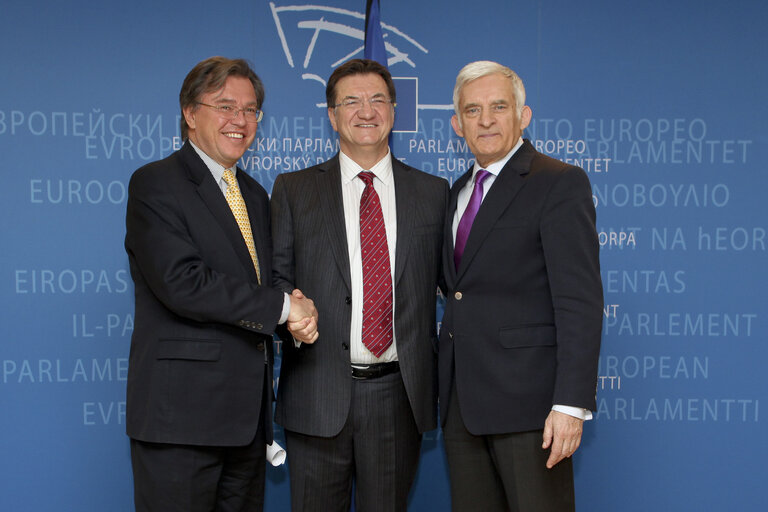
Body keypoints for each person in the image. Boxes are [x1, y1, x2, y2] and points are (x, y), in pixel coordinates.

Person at [124, 56, 318, 512]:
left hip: (245, 425)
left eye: (251, 110)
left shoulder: (253, 193)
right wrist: (284, 310)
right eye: (225, 106)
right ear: (190, 114)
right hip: (180, 425)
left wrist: (294, 308)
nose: (240, 121)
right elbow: (182, 283)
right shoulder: (156, 184)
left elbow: (262, 284)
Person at [270, 58, 448, 512]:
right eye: (351, 101)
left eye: (377, 100)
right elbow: (276, 280)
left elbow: (457, 286)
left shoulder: (433, 192)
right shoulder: (293, 190)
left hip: (397, 396)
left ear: (393, 109)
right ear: (332, 115)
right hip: (316, 392)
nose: (365, 111)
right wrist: (289, 312)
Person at [439, 60, 603, 511]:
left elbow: (579, 302)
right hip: (462, 407)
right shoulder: (456, 194)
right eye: (472, 110)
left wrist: (570, 405)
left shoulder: (558, 182)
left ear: (523, 115)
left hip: (532, 410)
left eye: (498, 106)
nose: (486, 120)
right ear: (457, 124)